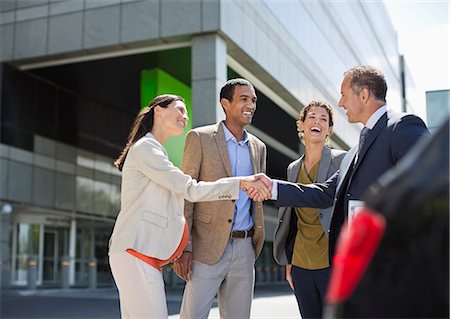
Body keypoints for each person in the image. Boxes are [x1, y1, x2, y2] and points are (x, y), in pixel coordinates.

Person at [108, 94, 270, 319]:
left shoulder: (152, 149)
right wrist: (238, 183)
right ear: (158, 110)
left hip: (139, 253)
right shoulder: (147, 149)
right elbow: (190, 189)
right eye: (180, 110)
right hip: (136, 251)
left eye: (186, 112)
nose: (185, 117)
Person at [251, 65, 429, 262]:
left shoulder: (402, 126)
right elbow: (325, 193)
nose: (340, 102)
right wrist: (272, 187)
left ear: (363, 95)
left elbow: (426, 186)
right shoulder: (354, 152)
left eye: (344, 95)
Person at [174, 78, 266, 319]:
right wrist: (184, 248)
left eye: (253, 100)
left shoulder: (258, 147)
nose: (251, 105)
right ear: (225, 103)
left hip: (245, 246)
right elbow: (186, 193)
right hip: (205, 246)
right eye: (244, 99)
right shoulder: (200, 138)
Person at [273, 101, 346, 319]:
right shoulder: (293, 168)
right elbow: (291, 218)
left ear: (329, 129)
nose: (317, 122)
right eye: (312, 117)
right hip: (301, 262)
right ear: (302, 125)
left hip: (330, 260)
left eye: (324, 119)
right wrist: (289, 260)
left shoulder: (342, 160)